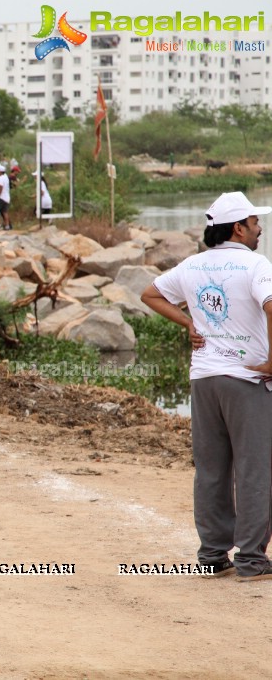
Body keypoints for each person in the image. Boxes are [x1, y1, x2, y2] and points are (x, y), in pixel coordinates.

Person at [140, 191, 272, 581]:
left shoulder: (192, 265)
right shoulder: (255, 264)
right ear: (238, 228)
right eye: (255, 222)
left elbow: (150, 294)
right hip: (247, 380)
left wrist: (189, 324)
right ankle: (251, 558)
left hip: (204, 381)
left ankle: (214, 555)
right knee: (255, 468)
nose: (260, 228)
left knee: (212, 468)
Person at [0, 162, 12, 230]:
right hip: (7, 197)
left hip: (2, 197)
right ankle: (7, 225)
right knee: (5, 212)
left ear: (0, 171)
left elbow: (0, 186)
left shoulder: (0, 178)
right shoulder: (6, 177)